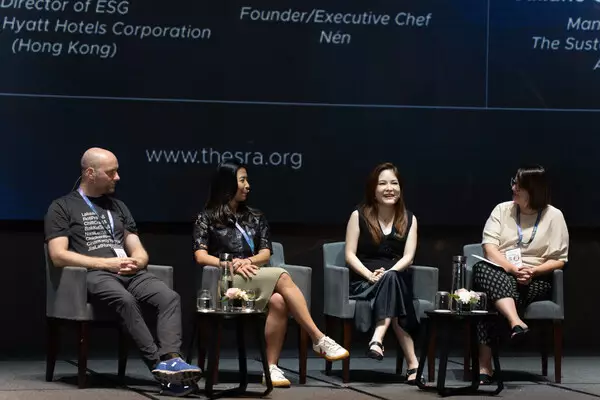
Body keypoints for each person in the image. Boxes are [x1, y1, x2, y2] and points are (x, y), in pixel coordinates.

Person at [45, 148, 202, 397]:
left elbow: (137, 249)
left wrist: (137, 262)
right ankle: (159, 367)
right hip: (94, 274)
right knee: (124, 300)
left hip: (129, 273)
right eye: (111, 172)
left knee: (169, 297)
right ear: (90, 173)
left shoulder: (119, 207)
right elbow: (58, 255)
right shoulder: (62, 207)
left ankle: (172, 359)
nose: (117, 177)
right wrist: (106, 264)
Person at [193, 161, 349, 388]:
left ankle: (271, 368)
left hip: (254, 276)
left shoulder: (255, 216)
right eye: (242, 180)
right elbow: (200, 256)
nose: (248, 185)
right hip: (226, 281)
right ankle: (318, 338)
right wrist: (229, 264)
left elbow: (265, 253)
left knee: (278, 301)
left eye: (247, 180)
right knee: (283, 275)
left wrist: (248, 261)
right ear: (228, 184)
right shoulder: (206, 217)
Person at [473, 165, 569, 384]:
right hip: (501, 271)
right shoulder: (502, 210)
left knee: (488, 298)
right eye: (513, 183)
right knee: (482, 269)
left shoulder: (554, 216)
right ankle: (515, 321)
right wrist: (511, 268)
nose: (513, 188)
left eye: (519, 185)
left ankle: (485, 366)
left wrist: (532, 271)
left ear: (534, 190)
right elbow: (489, 248)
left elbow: (559, 259)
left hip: (535, 278)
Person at [344, 162, 421, 384]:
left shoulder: (409, 218)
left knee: (393, 281)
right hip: (365, 282)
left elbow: (409, 257)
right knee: (395, 293)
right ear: (373, 189)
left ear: (400, 188)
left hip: (395, 276)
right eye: (383, 183)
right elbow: (349, 255)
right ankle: (413, 364)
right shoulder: (358, 215)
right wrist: (370, 275)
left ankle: (378, 338)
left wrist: (388, 273)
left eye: (394, 183)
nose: (389, 188)